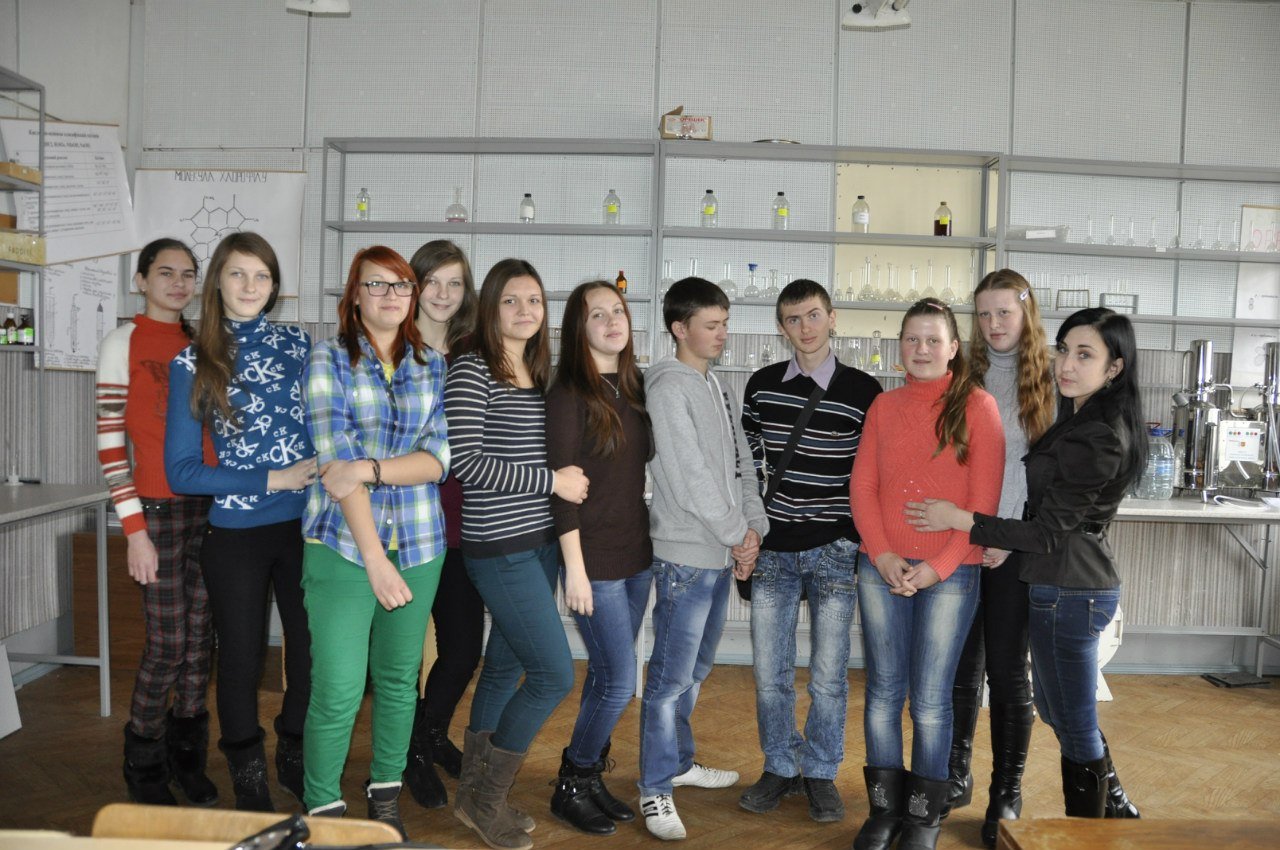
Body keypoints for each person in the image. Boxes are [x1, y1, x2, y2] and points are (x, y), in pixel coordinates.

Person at [907, 307, 1147, 822]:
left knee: (1072, 719)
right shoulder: (1080, 418)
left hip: (1073, 589)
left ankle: (1093, 827)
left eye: (1085, 355)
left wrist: (961, 519)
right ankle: (1114, 809)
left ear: (1114, 368)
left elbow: (1045, 531)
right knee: (1061, 712)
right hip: (1061, 583)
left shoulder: (1097, 433)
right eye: (1064, 350)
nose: (1067, 364)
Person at [164, 231, 317, 811]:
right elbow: (182, 471)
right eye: (238, 273)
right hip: (236, 534)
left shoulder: (299, 344)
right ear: (218, 283)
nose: (251, 286)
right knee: (241, 660)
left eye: (262, 275)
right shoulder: (192, 361)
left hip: (308, 529)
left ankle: (295, 753)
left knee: (311, 652)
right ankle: (248, 776)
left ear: (274, 286)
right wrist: (271, 479)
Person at [300, 246, 450, 839]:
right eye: (377, 284)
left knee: (398, 680)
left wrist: (370, 469)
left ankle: (384, 793)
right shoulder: (327, 359)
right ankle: (322, 811)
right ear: (355, 295)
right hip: (342, 546)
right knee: (337, 689)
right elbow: (334, 466)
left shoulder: (431, 364)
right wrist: (374, 561)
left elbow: (438, 459)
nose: (391, 295)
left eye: (402, 285)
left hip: (419, 543)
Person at [849, 298, 1004, 850]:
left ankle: (922, 817)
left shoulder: (979, 407)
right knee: (883, 693)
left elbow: (982, 506)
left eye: (933, 340)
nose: (921, 349)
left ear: (954, 348)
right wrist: (882, 554)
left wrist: (937, 568)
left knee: (933, 700)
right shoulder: (883, 406)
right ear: (900, 346)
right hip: (881, 567)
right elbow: (863, 487)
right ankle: (884, 811)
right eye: (912, 339)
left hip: (952, 574)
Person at [444, 258, 588, 850]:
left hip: (540, 545)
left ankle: (471, 795)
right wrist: (552, 482)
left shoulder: (537, 371)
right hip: (499, 549)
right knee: (554, 674)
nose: (525, 310)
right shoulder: (472, 368)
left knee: (504, 668)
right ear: (490, 308)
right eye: (511, 300)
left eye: (534, 300)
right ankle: (487, 801)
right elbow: (466, 462)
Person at [738, 278, 882, 823]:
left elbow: (873, 473)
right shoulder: (761, 386)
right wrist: (749, 530)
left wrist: (857, 536)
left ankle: (820, 771)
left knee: (828, 675)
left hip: (834, 548)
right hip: (774, 547)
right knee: (769, 673)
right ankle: (780, 765)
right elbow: (748, 466)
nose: (806, 328)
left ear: (833, 317)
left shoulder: (864, 391)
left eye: (814, 315)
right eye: (794, 319)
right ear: (781, 327)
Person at [639, 276, 769, 842]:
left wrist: (753, 530)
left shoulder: (716, 384)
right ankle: (654, 788)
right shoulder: (668, 388)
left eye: (724, 323)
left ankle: (677, 762)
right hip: (685, 558)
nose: (722, 334)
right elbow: (691, 477)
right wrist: (737, 534)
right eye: (711, 325)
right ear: (679, 328)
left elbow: (742, 464)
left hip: (719, 552)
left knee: (694, 672)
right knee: (668, 680)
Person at [97, 238, 217, 807]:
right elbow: (110, 445)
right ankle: (143, 762)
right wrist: (134, 530)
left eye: (188, 274)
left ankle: (187, 757)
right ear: (141, 280)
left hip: (211, 509)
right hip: (157, 512)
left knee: (200, 644)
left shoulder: (203, 343)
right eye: (165, 273)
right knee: (168, 644)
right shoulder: (122, 342)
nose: (178, 283)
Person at [940, 270, 1055, 847]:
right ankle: (955, 775)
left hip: (1014, 549)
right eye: (983, 314)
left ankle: (1005, 791)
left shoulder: (1054, 381)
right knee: (960, 669)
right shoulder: (964, 376)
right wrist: (966, 533)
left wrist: (1008, 536)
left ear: (1026, 311)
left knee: (1008, 673)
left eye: (1003, 312)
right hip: (965, 543)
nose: (993, 324)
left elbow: (1053, 481)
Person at [546, 281, 653, 836]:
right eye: (597, 315)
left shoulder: (634, 386)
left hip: (636, 554)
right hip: (594, 561)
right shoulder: (568, 393)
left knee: (606, 674)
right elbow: (561, 491)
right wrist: (576, 571)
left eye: (618, 311)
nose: (612, 321)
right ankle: (572, 780)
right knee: (618, 682)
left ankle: (587, 779)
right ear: (578, 328)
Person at [404, 239, 482, 810]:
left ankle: (431, 734)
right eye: (432, 281)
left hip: (459, 523)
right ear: (413, 286)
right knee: (403, 655)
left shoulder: (474, 353)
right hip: (403, 524)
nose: (442, 293)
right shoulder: (392, 348)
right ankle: (407, 751)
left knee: (462, 649)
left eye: (454, 283)